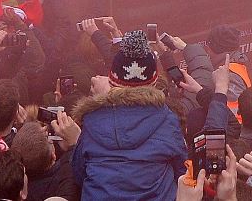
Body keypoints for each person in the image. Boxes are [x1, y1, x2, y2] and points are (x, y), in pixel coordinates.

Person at [70, 31, 186, 200]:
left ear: (111, 81)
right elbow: (181, 172)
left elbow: (79, 173)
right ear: (154, 82)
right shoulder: (168, 121)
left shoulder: (90, 120)